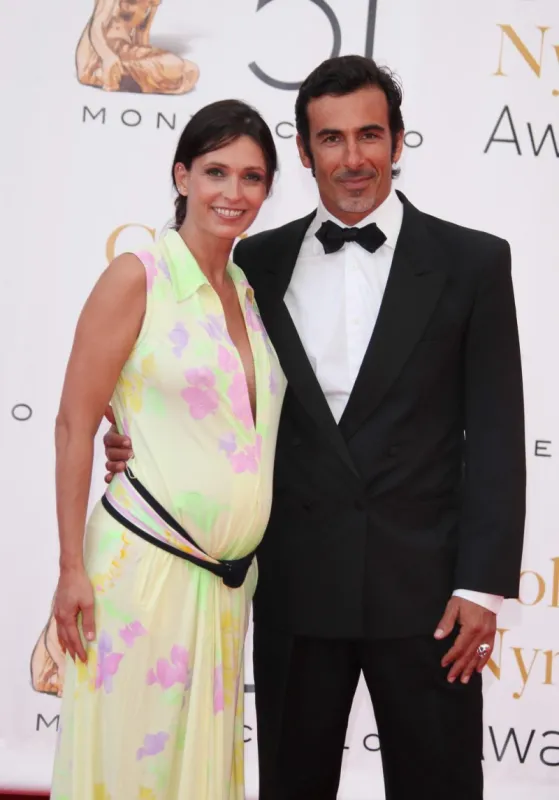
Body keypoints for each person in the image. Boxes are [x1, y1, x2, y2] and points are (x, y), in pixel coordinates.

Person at [104, 56, 526, 800]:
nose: (352, 157)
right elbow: (206, 389)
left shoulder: (472, 261)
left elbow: (496, 432)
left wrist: (482, 588)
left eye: (370, 135)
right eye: (330, 139)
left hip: (428, 595)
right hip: (294, 585)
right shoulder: (253, 264)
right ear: (303, 152)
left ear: (398, 141)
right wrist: (139, 444)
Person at [50, 99, 285, 800]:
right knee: (131, 772)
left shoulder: (245, 290)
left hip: (224, 588)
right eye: (216, 171)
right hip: (139, 577)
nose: (233, 192)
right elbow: (74, 424)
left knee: (196, 779)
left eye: (251, 177)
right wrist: (70, 569)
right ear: (181, 176)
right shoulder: (138, 274)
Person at [76, 0, 199, 94]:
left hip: (124, 50)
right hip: (98, 57)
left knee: (190, 70)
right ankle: (107, 74)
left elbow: (142, 33)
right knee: (174, 67)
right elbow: (97, 26)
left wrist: (145, 57)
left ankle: (123, 76)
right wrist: (108, 57)